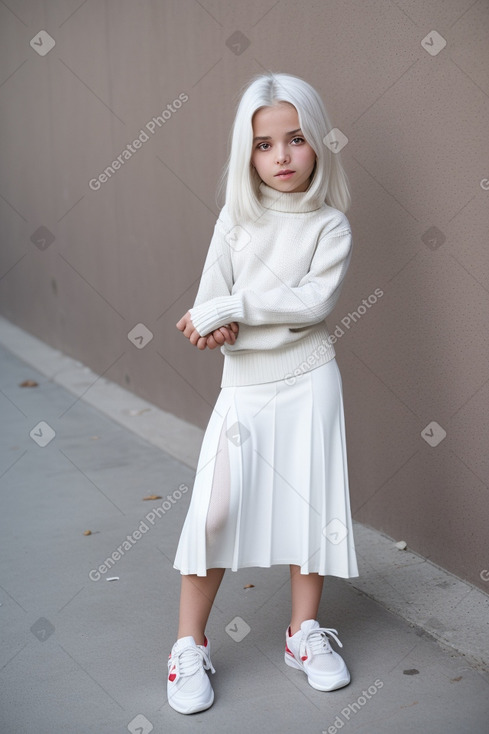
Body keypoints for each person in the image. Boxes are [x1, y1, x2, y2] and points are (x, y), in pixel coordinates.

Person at [168, 71, 359, 715]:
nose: (281, 157)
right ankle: (188, 644)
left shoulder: (331, 227)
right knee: (216, 514)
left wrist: (235, 308)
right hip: (245, 388)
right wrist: (212, 320)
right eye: (264, 144)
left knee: (312, 509)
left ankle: (304, 633)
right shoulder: (234, 218)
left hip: (309, 378)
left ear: (318, 142)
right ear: (245, 152)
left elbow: (312, 303)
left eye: (296, 139)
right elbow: (208, 297)